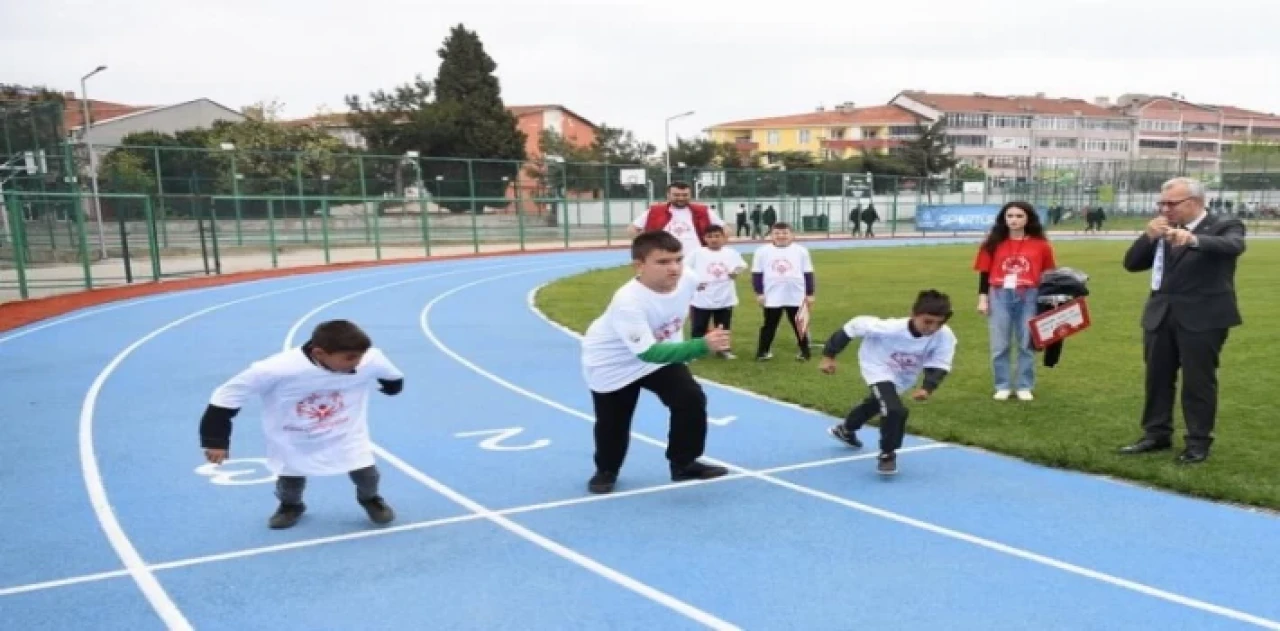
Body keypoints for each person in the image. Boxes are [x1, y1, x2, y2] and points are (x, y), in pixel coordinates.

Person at [198, 320, 405, 530]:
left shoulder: (369, 359)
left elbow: (392, 375)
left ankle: (370, 499)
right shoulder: (276, 369)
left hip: (345, 432)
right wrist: (216, 440)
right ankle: (290, 506)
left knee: (367, 474)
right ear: (319, 353)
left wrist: (392, 386)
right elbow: (227, 396)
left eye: (361, 356)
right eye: (350, 358)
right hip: (293, 436)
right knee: (291, 479)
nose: (358, 363)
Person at [580, 231, 732, 494]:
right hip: (613, 362)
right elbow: (648, 353)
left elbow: (699, 295)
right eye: (662, 262)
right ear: (639, 266)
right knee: (613, 421)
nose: (674, 268)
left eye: (678, 259)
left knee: (690, 398)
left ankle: (683, 463)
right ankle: (606, 469)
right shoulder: (628, 301)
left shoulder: (688, 279)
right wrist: (701, 345)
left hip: (660, 351)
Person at [1119, 177, 1246, 464]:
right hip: (1160, 314)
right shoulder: (1163, 228)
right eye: (1161, 203)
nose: (1164, 209)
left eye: (1171, 203)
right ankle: (1156, 434)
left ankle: (1198, 442)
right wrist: (1148, 236)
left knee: (1198, 382)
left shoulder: (1225, 224)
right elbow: (1132, 264)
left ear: (1195, 202)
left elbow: (1233, 246)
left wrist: (1194, 240)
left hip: (1204, 316)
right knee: (1157, 378)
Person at [818, 290, 957, 475]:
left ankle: (845, 429)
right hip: (877, 365)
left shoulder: (944, 336)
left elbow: (940, 362)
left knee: (878, 403)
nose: (932, 328)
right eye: (927, 321)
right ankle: (887, 454)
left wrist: (927, 387)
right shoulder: (889, 328)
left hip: (904, 375)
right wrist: (829, 356)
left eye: (939, 323)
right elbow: (854, 325)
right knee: (894, 409)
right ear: (913, 314)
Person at [973, 201, 1057, 401]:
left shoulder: (1041, 245)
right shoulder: (991, 243)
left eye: (1019, 216)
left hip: (1030, 295)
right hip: (999, 295)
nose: (1014, 220)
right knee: (1000, 344)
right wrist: (983, 299)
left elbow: (1047, 274)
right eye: (1010, 216)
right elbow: (984, 274)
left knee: (1026, 343)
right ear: (1004, 218)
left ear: (1028, 219)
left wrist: (1048, 301)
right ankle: (1002, 385)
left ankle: (1024, 385)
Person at [751, 222, 815, 361]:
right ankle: (763, 351)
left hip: (796, 294)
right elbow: (757, 274)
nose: (781, 236)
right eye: (777, 233)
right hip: (772, 295)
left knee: (800, 324)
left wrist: (810, 294)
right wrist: (759, 293)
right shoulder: (761, 251)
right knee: (769, 325)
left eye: (785, 233)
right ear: (771, 235)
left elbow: (808, 273)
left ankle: (805, 351)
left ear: (792, 235)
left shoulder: (801, 251)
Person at [687, 224, 747, 359]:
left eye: (717, 236)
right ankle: (695, 352)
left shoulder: (731, 253)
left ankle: (723, 350)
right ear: (704, 238)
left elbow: (741, 265)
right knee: (699, 326)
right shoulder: (697, 253)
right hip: (703, 297)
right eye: (710, 236)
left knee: (723, 326)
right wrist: (695, 283)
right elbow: (685, 269)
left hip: (725, 296)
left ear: (723, 238)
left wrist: (735, 273)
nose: (713, 239)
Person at [627, 181, 725, 255]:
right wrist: (644, 247)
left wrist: (715, 249)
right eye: (676, 195)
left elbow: (726, 230)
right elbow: (632, 229)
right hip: (665, 260)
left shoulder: (703, 211)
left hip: (697, 259)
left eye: (685, 195)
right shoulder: (655, 211)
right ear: (668, 195)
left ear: (690, 195)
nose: (681, 198)